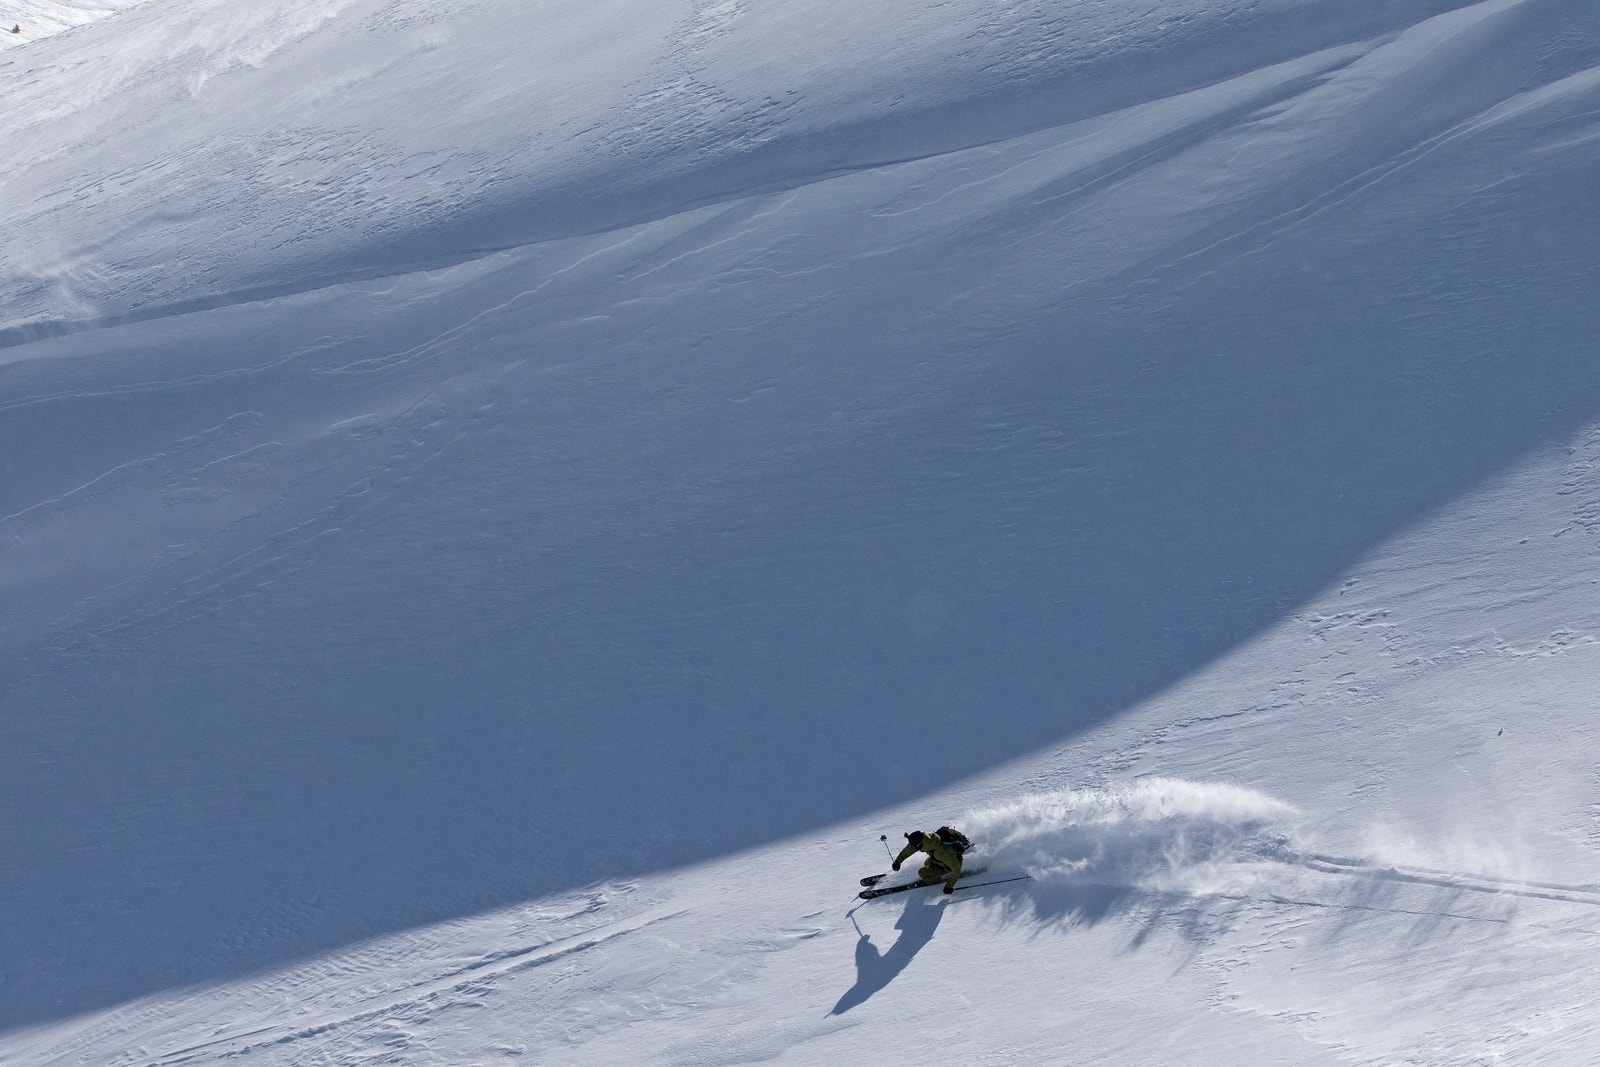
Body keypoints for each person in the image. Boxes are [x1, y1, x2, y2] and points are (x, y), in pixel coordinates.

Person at [892, 826, 969, 894]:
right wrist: (898, 861)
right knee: (927, 862)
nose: (913, 849)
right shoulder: (926, 841)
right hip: (937, 860)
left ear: (920, 845)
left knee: (922, 872)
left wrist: (949, 886)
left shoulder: (942, 852)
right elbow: (909, 849)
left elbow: (957, 866)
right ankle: (933, 873)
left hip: (946, 866)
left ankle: (935, 880)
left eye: (915, 847)